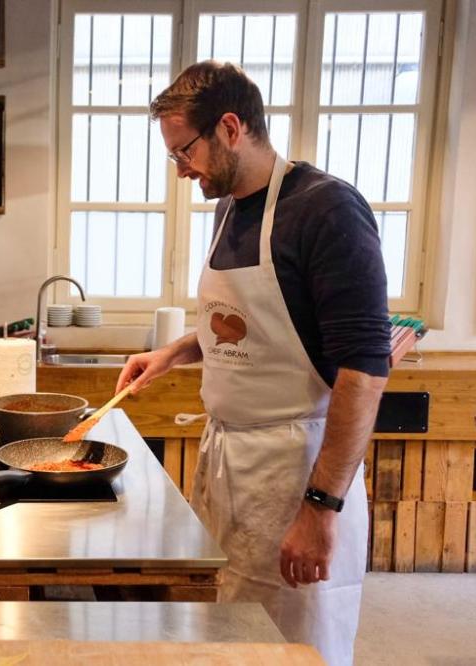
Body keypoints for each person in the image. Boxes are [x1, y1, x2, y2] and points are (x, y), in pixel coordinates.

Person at [115, 62, 390, 665]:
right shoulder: (230, 208)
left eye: (184, 151)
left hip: (296, 469)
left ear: (231, 127)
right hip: (230, 466)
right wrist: (176, 352)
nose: (181, 168)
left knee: (294, 646)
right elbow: (246, 324)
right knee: (227, 638)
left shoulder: (327, 210)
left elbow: (365, 370)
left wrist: (321, 509)